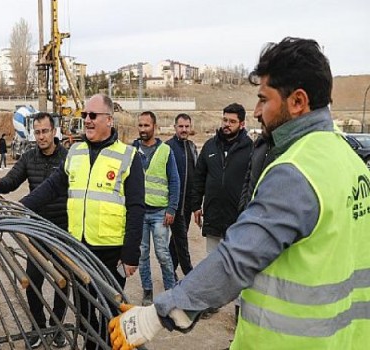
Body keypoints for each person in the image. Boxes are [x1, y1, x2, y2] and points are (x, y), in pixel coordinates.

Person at [109, 37, 370, 350]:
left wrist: (152, 318)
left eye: (264, 99)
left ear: (297, 102)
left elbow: (234, 262)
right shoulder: (349, 159)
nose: (257, 111)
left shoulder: (296, 171)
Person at [21, 94, 145, 350]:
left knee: (110, 310)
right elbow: (53, 186)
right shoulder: (75, 151)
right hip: (79, 249)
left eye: (92, 116)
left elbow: (136, 208)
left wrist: (131, 254)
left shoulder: (128, 156)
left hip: (111, 253)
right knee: (85, 310)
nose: (86, 120)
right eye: (84, 115)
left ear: (109, 120)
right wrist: (21, 207)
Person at [0, 112, 69, 348]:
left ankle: (58, 327)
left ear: (54, 132)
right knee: (32, 281)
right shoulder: (29, 158)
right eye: (38, 132)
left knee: (64, 280)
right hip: (36, 228)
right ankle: (39, 326)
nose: (41, 136)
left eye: (45, 131)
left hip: (63, 229)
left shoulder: (68, 158)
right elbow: (12, 180)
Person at [191, 103, 253, 256]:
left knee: (234, 262)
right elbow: (199, 177)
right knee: (211, 261)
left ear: (242, 124)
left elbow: (254, 182)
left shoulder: (251, 149)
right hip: (213, 216)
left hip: (238, 218)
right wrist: (196, 205)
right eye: (225, 120)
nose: (227, 125)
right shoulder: (210, 146)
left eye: (232, 122)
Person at [132, 111, 180, 305]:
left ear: (155, 127)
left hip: (160, 212)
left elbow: (175, 181)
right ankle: (147, 290)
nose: (143, 129)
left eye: (146, 126)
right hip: (139, 212)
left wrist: (172, 209)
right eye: (140, 126)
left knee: (162, 253)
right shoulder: (132, 150)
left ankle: (171, 289)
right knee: (142, 254)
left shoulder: (166, 151)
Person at [165, 113, 197, 280]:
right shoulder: (167, 147)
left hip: (188, 204)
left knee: (175, 242)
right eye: (181, 126)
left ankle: (170, 273)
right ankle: (190, 275)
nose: (184, 130)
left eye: (187, 127)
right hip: (174, 205)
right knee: (181, 241)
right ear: (175, 127)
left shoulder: (192, 147)